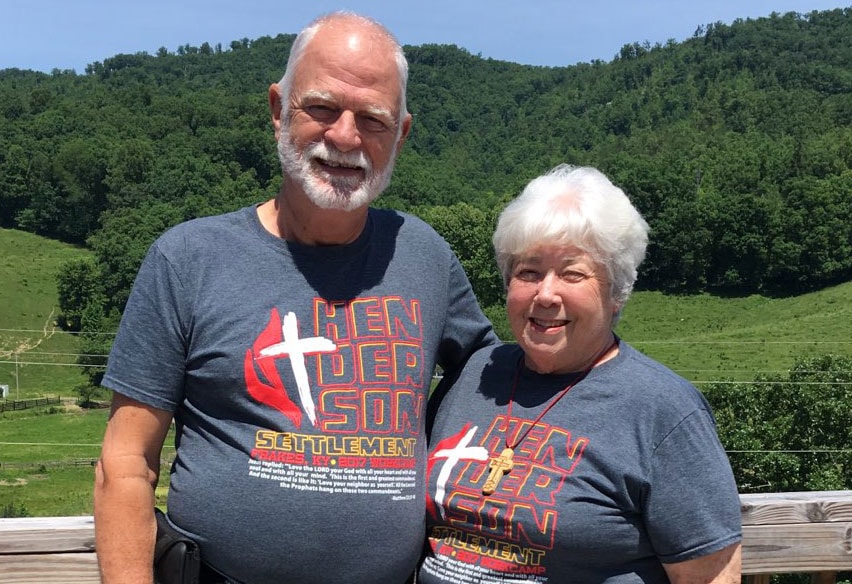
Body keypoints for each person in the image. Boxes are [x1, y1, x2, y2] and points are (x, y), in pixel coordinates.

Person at [93, 11, 497, 584]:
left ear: (400, 135)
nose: (345, 137)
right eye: (323, 108)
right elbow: (125, 462)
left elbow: (493, 378)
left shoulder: (424, 256)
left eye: (373, 120)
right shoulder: (188, 259)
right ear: (279, 109)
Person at [419, 164, 742, 583]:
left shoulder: (664, 410)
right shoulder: (473, 376)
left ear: (616, 292)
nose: (546, 294)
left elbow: (712, 576)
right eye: (528, 272)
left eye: (573, 273)